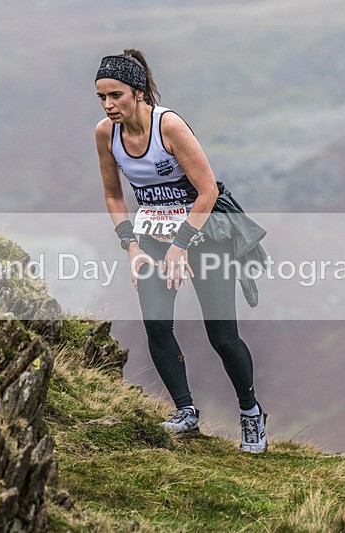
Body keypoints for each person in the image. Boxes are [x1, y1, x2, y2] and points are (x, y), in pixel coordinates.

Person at [94, 49, 267, 453]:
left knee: (222, 336)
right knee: (156, 325)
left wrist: (180, 246)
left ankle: (251, 413)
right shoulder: (106, 133)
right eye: (101, 97)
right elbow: (112, 194)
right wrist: (131, 245)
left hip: (205, 234)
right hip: (152, 235)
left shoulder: (168, 126)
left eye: (116, 95)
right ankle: (185, 413)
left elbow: (207, 191)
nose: (108, 105)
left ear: (138, 92)